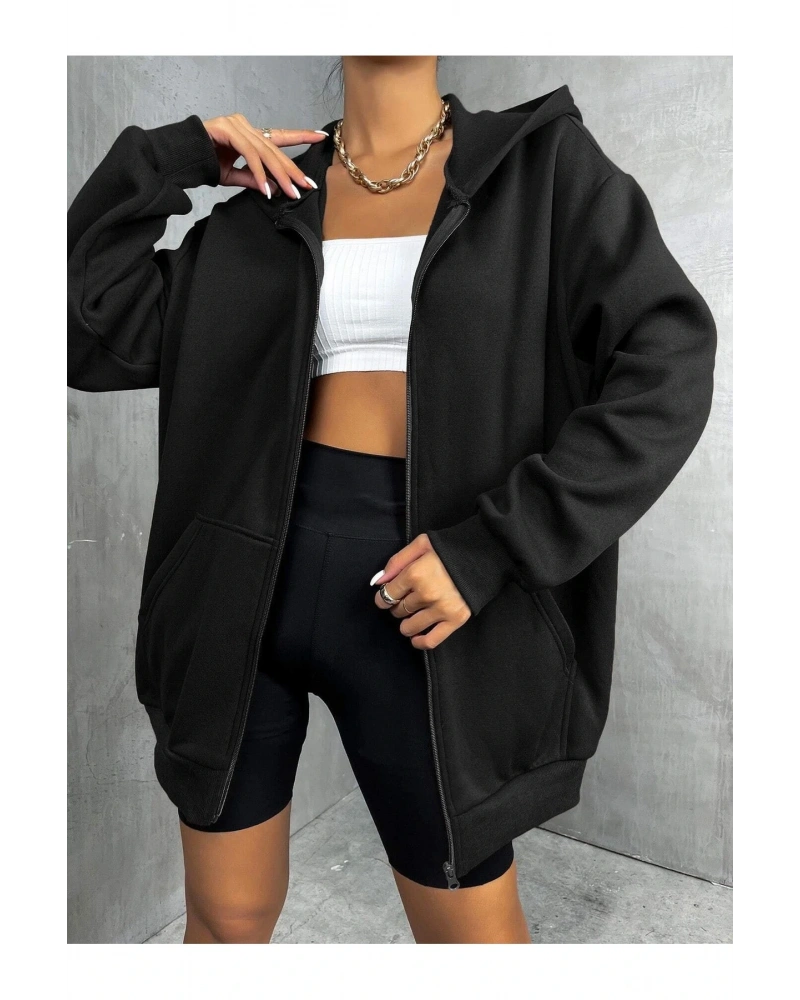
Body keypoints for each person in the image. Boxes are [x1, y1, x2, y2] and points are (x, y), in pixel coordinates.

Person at [64, 56, 717, 944]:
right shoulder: (270, 202)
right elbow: (83, 326)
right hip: (236, 603)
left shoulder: (542, 169)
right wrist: (171, 157)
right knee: (223, 923)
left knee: (473, 947)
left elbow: (669, 365)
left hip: (426, 608)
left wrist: (495, 547)